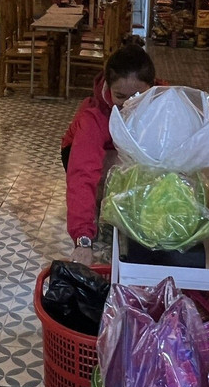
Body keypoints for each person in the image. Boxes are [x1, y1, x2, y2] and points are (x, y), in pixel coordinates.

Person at [62, 38, 157, 266]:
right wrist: (83, 240)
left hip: (123, 152)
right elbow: (82, 175)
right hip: (88, 156)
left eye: (137, 97)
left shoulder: (163, 99)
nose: (128, 104)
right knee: (120, 165)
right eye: (120, 97)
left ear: (151, 88)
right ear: (108, 88)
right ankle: (101, 201)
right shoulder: (93, 117)